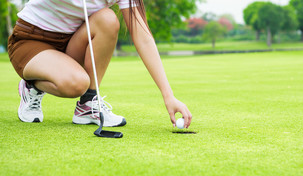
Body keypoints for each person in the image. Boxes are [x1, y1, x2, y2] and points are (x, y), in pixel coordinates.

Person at [8, 0, 192, 128]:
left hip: (72, 42)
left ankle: (88, 103)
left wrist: (168, 96)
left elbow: (142, 36)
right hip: (30, 41)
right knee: (77, 83)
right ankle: (30, 85)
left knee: (108, 19)